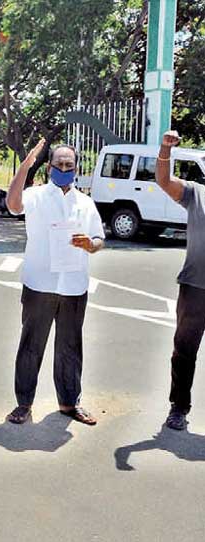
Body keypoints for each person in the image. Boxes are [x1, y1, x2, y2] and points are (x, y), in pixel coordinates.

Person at [4, 140, 105, 426]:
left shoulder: (85, 203)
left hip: (74, 286)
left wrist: (90, 245)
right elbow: (13, 205)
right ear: (49, 167)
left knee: (70, 347)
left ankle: (69, 403)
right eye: (58, 164)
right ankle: (23, 404)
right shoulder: (35, 196)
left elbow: (99, 239)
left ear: (75, 168)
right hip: (40, 284)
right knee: (31, 346)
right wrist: (25, 164)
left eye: (68, 165)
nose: (63, 168)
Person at [154, 130, 205, 430]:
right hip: (195, 287)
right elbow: (163, 181)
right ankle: (179, 407)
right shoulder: (196, 193)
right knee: (184, 350)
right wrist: (165, 150)